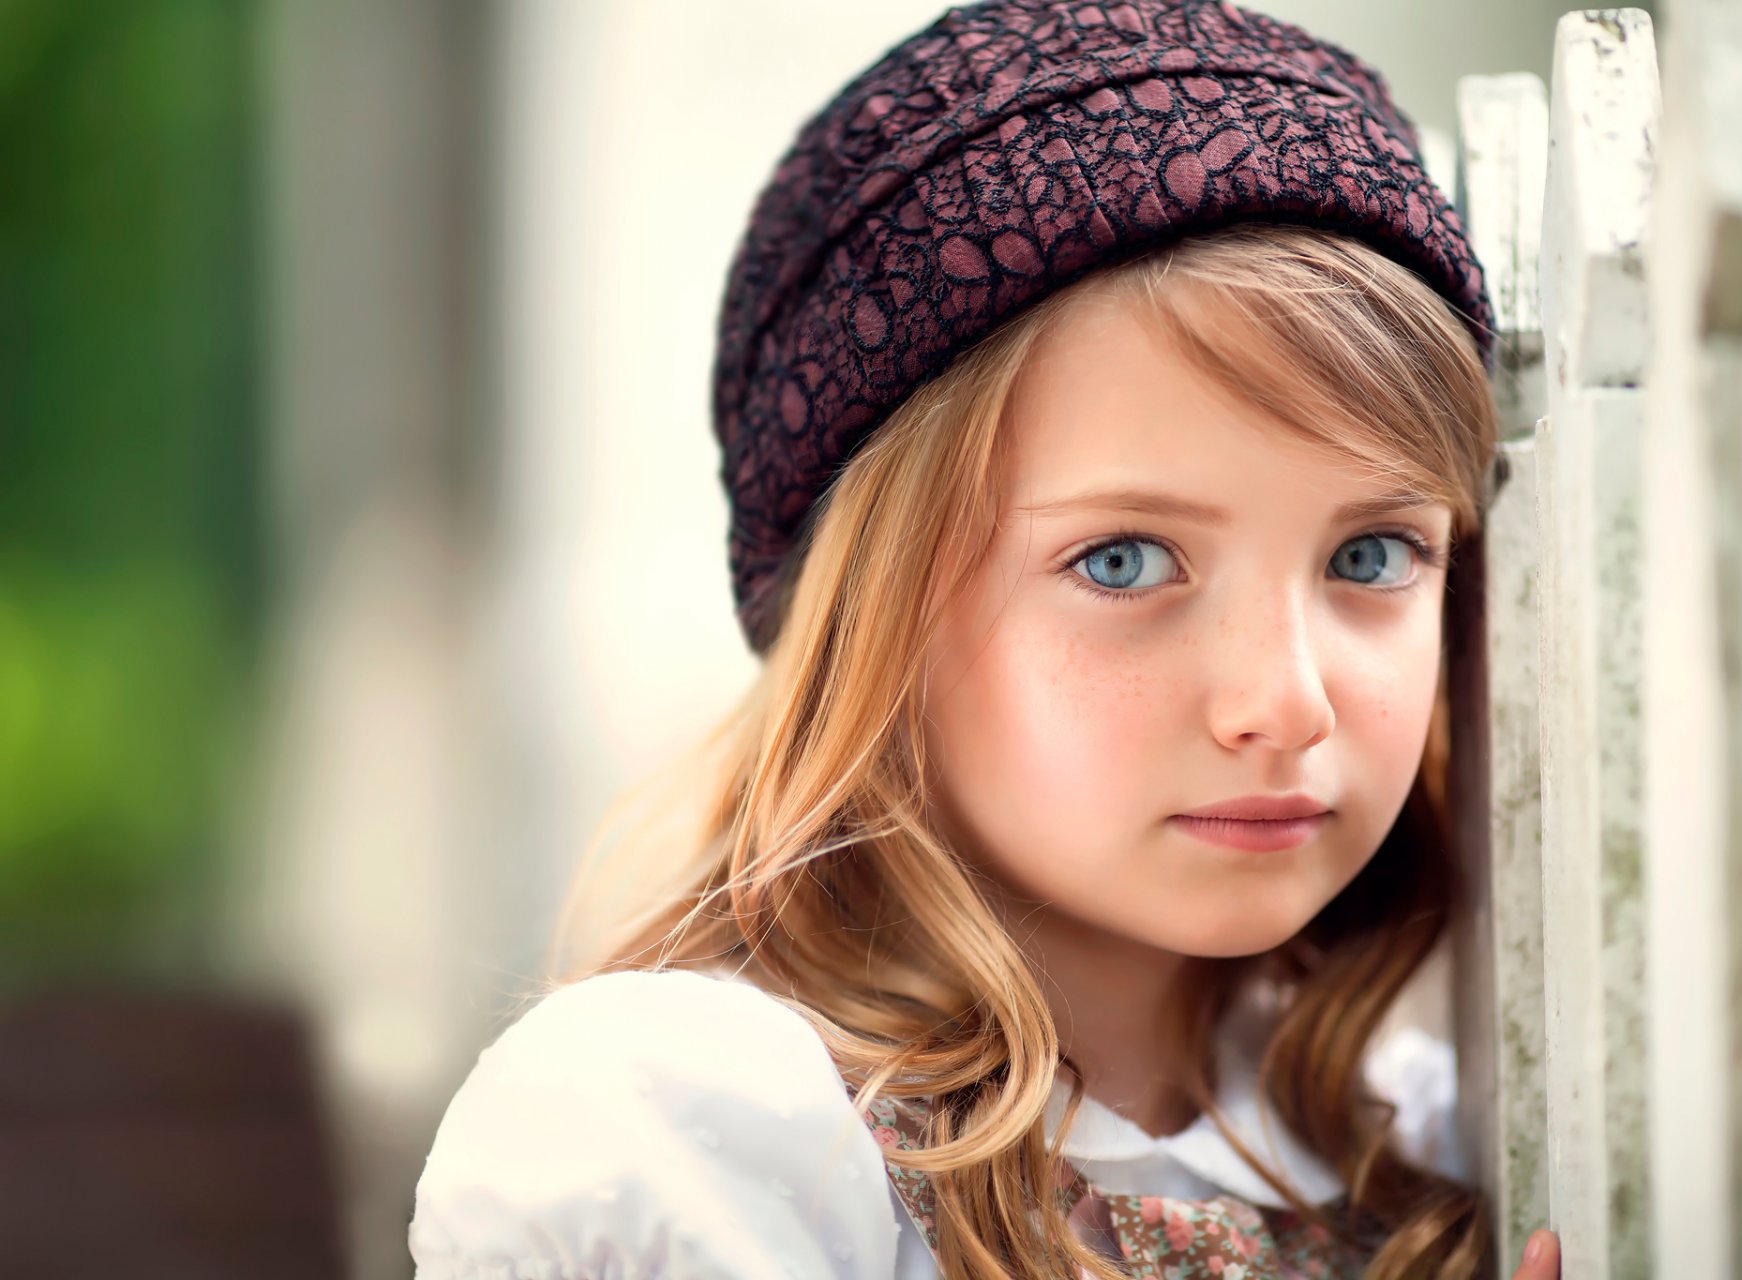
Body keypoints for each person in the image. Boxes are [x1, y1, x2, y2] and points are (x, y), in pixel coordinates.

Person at [409, 1, 1564, 1277]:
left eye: (1371, 556)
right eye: (1123, 561)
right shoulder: (703, 1134)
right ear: (876, 613)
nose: (1283, 701)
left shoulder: (1453, 1131)